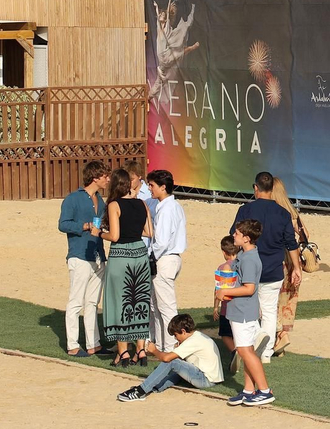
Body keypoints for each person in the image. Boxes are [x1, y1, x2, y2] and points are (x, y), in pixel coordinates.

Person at [230, 171, 295, 364]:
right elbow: (291, 243)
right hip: (273, 269)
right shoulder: (283, 213)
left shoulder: (245, 210)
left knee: (248, 310)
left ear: (256, 188)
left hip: (249, 268)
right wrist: (297, 268)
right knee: (268, 311)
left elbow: (234, 236)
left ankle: (247, 346)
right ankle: (265, 352)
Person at [100, 166, 153, 366]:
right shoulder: (142, 204)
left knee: (119, 300)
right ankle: (140, 349)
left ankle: (123, 352)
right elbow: (149, 232)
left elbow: (114, 235)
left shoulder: (114, 205)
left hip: (121, 254)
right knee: (139, 299)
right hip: (139, 254)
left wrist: (99, 233)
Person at [218, 219, 273, 406]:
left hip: (243, 311)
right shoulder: (244, 255)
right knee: (247, 350)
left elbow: (249, 288)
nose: (234, 234)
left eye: (237, 233)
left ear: (247, 238)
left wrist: (225, 291)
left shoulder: (249, 259)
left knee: (244, 351)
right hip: (241, 310)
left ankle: (264, 390)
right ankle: (249, 390)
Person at [58, 161, 108, 356]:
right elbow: (63, 224)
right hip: (79, 254)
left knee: (93, 302)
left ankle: (93, 343)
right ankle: (72, 345)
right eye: (104, 176)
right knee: (76, 301)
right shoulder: (73, 199)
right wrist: (85, 226)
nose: (107, 180)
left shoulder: (100, 200)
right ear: (95, 177)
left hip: (97, 255)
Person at [116, 314, 225, 402]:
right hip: (211, 378)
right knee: (176, 368)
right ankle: (155, 387)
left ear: (183, 331)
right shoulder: (197, 336)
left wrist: (154, 350)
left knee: (172, 362)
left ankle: (140, 391)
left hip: (205, 380)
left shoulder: (193, 341)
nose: (176, 338)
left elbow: (167, 359)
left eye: (176, 335)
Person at [268, 178, 311, 355]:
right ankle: (283, 334)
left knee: (274, 298)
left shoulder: (275, 213)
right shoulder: (293, 213)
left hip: (280, 260)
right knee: (289, 299)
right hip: (294, 263)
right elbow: (306, 235)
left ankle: (276, 335)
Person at [147, 169, 186, 351]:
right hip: (170, 259)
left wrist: (150, 257)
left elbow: (161, 241)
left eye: (152, 185)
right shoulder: (173, 206)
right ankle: (162, 345)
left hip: (164, 259)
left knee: (166, 308)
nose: (150, 188)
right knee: (156, 306)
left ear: (163, 187)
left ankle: (171, 348)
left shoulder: (167, 209)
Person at [211, 234, 241, 360]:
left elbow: (218, 289)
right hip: (240, 306)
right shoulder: (242, 265)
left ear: (224, 252)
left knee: (225, 334)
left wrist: (215, 308)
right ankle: (240, 350)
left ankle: (235, 352)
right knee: (237, 333)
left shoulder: (222, 268)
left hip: (226, 308)